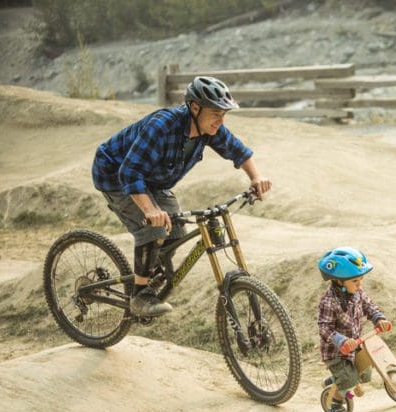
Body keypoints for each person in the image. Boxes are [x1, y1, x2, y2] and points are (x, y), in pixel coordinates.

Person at [91, 75, 272, 317]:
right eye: (216, 113)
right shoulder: (162, 127)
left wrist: (255, 178)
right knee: (153, 229)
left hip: (153, 179)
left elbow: (237, 151)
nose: (221, 120)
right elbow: (129, 173)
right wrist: (150, 210)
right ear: (194, 107)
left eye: (224, 114)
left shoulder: (209, 127)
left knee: (175, 233)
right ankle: (140, 296)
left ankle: (149, 273)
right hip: (115, 175)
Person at [317, 247, 392, 412]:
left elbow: (369, 306)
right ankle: (335, 408)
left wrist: (379, 318)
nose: (360, 285)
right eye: (355, 281)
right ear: (339, 282)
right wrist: (341, 340)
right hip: (336, 352)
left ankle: (335, 379)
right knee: (349, 380)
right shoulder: (328, 302)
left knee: (365, 373)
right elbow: (324, 327)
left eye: (360, 279)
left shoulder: (357, 293)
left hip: (355, 344)